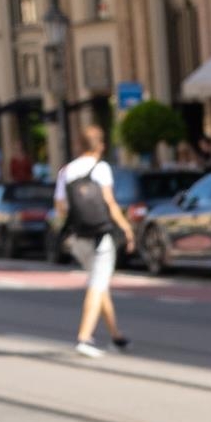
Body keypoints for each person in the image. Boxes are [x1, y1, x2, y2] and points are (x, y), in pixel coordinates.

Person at [55, 116, 132, 359]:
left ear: (78, 144)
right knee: (97, 285)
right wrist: (126, 228)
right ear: (100, 145)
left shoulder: (65, 171)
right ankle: (84, 338)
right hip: (101, 236)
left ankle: (116, 335)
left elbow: (59, 206)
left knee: (99, 284)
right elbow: (109, 202)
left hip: (79, 237)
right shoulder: (101, 168)